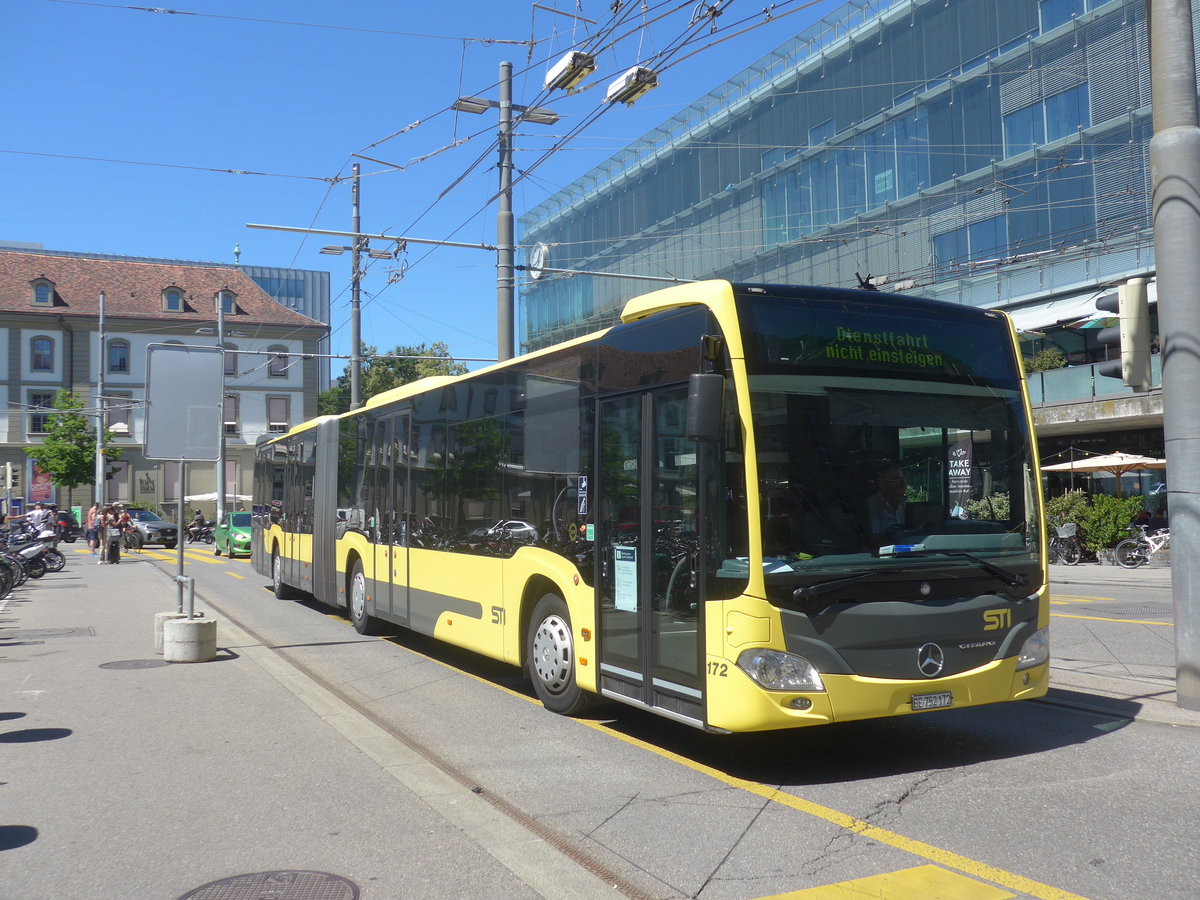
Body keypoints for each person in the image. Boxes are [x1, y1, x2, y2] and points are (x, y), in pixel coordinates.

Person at [867, 462, 907, 544]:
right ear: (882, 482)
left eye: (902, 478)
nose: (902, 483)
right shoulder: (873, 504)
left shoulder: (904, 504)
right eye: (896, 479)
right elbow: (874, 539)